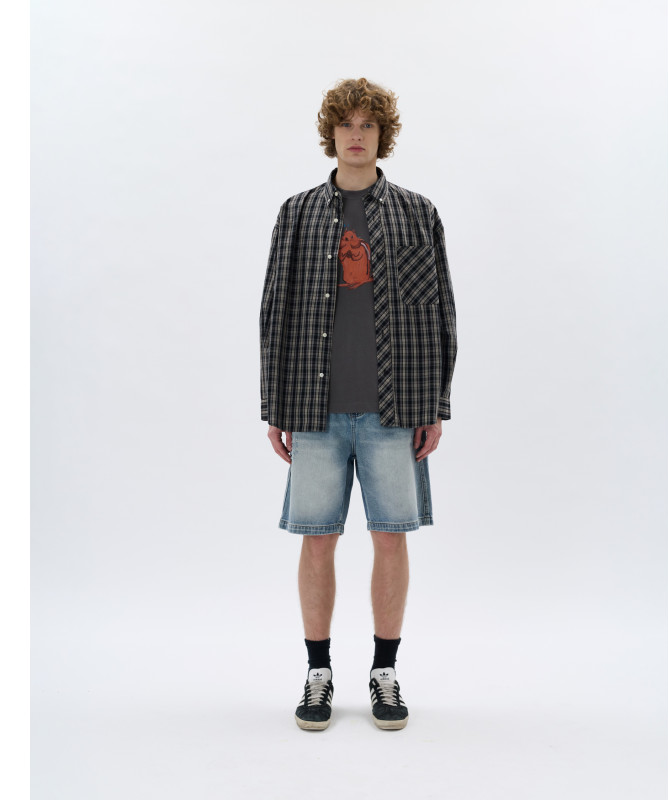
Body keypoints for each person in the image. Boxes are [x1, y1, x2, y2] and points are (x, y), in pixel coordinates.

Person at [259, 77, 457, 731]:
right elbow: (275, 313)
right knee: (317, 542)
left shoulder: (418, 213)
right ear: (331, 133)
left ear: (382, 135)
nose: (356, 133)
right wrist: (275, 406)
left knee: (390, 538)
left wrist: (434, 404)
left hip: (393, 412)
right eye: (346, 122)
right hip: (313, 410)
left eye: (368, 123)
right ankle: (318, 672)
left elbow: (440, 315)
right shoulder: (297, 215)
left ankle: (385, 672)